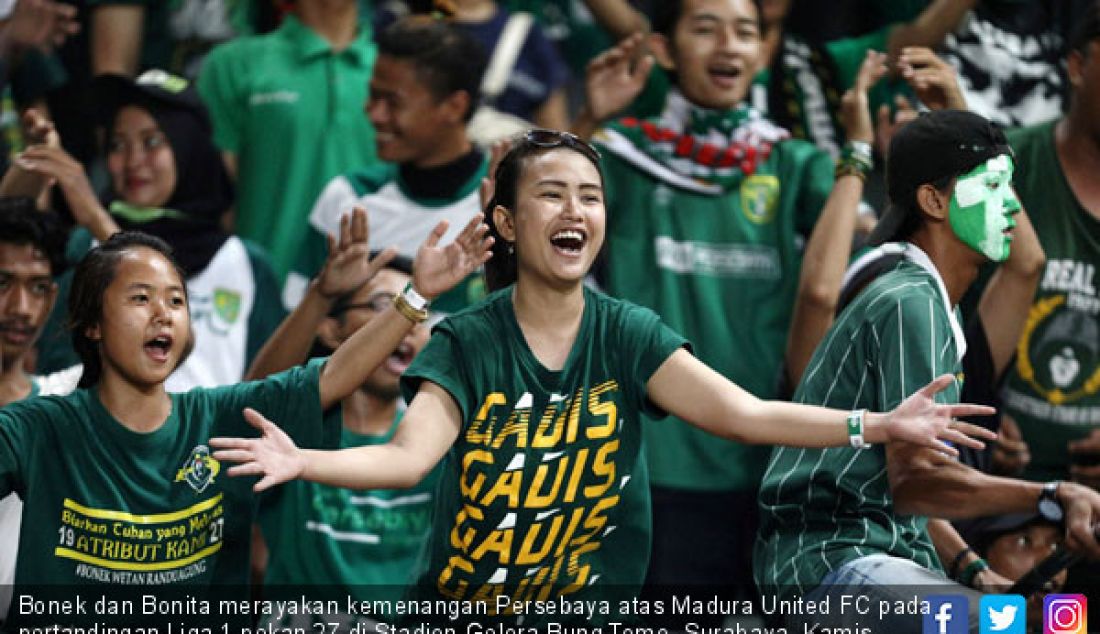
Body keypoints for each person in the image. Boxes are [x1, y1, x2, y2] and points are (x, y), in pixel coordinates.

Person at [210, 129, 993, 625]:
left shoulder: (626, 332)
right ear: (510, 225)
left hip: (592, 615)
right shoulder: (466, 342)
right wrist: (301, 459)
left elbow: (745, 414)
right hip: (465, 615)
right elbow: (408, 458)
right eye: (551, 193)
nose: (575, 207)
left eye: (589, 194)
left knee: (1016, 620)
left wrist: (879, 425)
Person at [0, 211, 491, 612]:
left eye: (176, 300)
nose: (162, 313)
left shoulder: (220, 417)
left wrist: (416, 297)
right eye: (140, 298)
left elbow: (333, 374)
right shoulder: (40, 427)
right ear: (92, 325)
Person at [754, 109, 1100, 633]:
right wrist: (1053, 493)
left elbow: (901, 488)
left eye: (1011, 186)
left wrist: (972, 567)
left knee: (1051, 623)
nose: (1010, 204)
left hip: (877, 557)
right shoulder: (908, 302)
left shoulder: (933, 303)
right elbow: (918, 483)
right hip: (830, 563)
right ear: (933, 200)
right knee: (1011, 628)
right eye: (992, 185)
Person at [575, 0, 873, 607]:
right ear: (663, 49)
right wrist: (586, 123)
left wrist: (863, 156)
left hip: (766, 468)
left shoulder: (796, 165)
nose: (728, 46)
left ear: (764, 52)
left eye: (745, 32)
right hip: (647, 467)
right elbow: (528, 223)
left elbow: (867, 259)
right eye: (705, 29)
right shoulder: (620, 158)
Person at [18, 70, 286, 391]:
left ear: (188, 148)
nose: (133, 160)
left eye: (152, 141)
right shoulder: (82, 246)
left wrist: (94, 214)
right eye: (117, 144)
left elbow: (272, 391)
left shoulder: (246, 263)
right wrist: (31, 166)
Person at [248, 209, 437, 618]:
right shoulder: (296, 431)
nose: (405, 325)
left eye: (418, 313)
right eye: (386, 306)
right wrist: (320, 296)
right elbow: (254, 403)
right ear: (331, 330)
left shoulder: (435, 436)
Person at [286, 17, 489, 314]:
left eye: (392, 102)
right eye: (373, 95)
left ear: (454, 107)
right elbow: (296, 330)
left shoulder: (507, 208)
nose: (374, 113)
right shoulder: (349, 198)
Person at [197, 0, 380, 280]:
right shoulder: (231, 65)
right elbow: (212, 200)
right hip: (264, 293)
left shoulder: (399, 68)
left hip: (376, 295)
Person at [0, 201, 78, 622]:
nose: (20, 309)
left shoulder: (65, 398)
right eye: (3, 282)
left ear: (52, 299)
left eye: (38, 288)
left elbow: (171, 334)